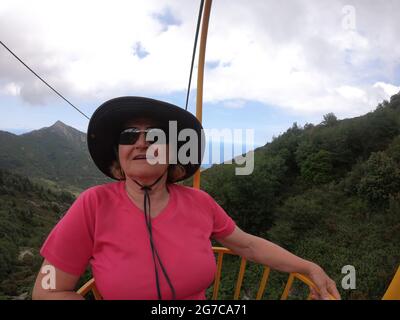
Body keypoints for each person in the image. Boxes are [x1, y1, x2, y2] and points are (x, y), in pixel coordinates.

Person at [32, 96, 340, 300]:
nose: (141, 142)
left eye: (155, 136)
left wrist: (308, 267)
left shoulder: (199, 203)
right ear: (119, 154)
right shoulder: (92, 205)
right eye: (128, 136)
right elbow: (46, 291)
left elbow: (247, 244)